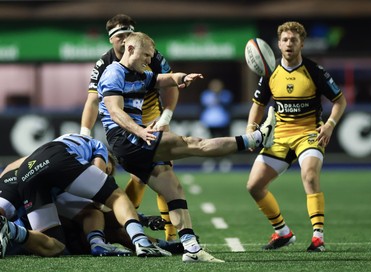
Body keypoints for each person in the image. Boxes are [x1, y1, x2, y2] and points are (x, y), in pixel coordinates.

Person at [97, 31, 275, 262]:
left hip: (130, 144)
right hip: (127, 139)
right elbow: (114, 110)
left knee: (174, 190)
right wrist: (140, 130)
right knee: (194, 144)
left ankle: (191, 249)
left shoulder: (139, 73)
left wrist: (182, 77)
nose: (150, 61)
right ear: (130, 49)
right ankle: (257, 139)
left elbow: (162, 79)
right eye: (146, 55)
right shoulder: (114, 72)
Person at [245, 21, 347, 252]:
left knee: (309, 176)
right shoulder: (270, 72)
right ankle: (283, 233)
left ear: (302, 43)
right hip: (279, 136)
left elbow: (340, 101)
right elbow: (258, 105)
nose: (289, 43)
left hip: (308, 134)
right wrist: (251, 128)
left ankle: (318, 237)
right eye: (285, 40)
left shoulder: (314, 71)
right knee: (253, 186)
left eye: (294, 40)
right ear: (278, 44)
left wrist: (330, 124)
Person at [80, 14, 179, 241]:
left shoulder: (151, 56)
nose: (125, 40)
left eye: (128, 34)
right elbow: (93, 100)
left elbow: (172, 83)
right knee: (138, 175)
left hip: (151, 116)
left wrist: (166, 115)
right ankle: (123, 223)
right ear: (111, 40)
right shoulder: (104, 64)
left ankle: (171, 234)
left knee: (164, 169)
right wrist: (85, 133)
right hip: (125, 119)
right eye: (119, 36)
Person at [13, 133, 172, 258]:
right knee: (116, 197)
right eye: (109, 170)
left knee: (54, 246)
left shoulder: (69, 145)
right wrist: (142, 219)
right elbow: (98, 196)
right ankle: (140, 241)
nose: (107, 174)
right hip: (56, 159)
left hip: (25, 174)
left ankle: (11, 230)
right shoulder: (99, 147)